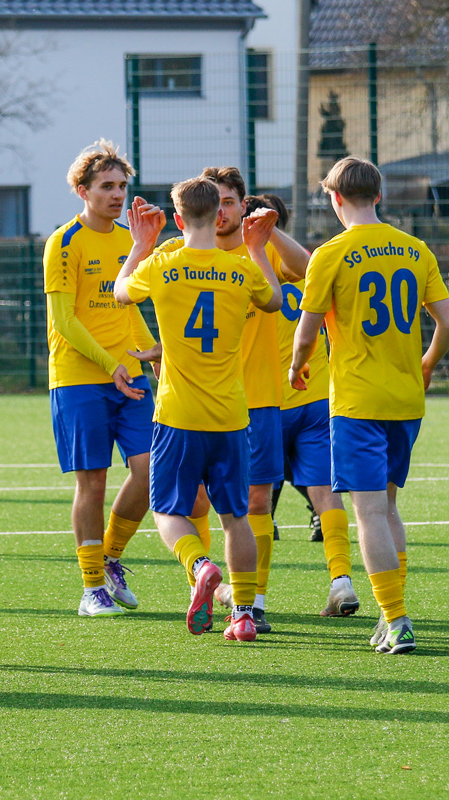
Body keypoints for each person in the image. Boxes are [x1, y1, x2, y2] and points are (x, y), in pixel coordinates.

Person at [291, 156, 449, 654]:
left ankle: (397, 618)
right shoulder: (415, 249)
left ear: (335, 198)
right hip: (406, 399)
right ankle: (392, 615)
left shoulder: (330, 254)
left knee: (367, 512)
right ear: (378, 195)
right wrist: (427, 364)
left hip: (357, 402)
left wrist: (297, 367)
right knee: (387, 507)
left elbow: (306, 332)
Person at [114, 179, 282, 642]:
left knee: (167, 510)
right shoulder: (240, 268)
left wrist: (140, 244)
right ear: (219, 215)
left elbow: (121, 292)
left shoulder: (162, 264)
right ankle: (243, 614)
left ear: (177, 219)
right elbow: (275, 300)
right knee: (236, 518)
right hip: (230, 416)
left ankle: (200, 565)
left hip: (178, 415)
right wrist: (257, 249)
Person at [160, 167, 305, 634]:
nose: (222, 211)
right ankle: (216, 592)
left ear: (244, 206)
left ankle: (251, 603)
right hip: (219, 405)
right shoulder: (183, 252)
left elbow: (308, 270)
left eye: (230, 202)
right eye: (216, 202)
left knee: (253, 504)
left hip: (255, 398)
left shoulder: (258, 250)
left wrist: (268, 234)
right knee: (206, 505)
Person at [43, 140, 160, 618]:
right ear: (82, 190)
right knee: (92, 483)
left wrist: (152, 353)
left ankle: (110, 557)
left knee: (150, 470)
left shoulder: (130, 242)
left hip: (129, 375)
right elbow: (65, 321)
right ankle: (91, 587)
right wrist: (109, 364)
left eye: (121, 186)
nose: (116, 194)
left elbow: (128, 310)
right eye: (106, 186)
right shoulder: (63, 242)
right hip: (78, 379)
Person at [247, 194, 360, 617]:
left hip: (267, 400)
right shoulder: (296, 260)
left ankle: (254, 599)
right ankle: (341, 579)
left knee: (255, 501)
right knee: (325, 494)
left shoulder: (248, 261)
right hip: (317, 396)